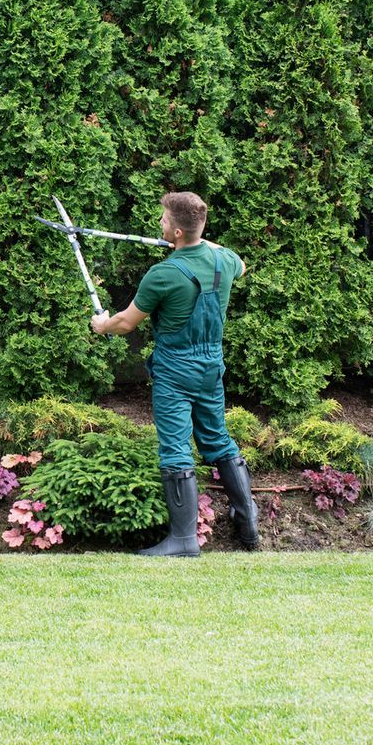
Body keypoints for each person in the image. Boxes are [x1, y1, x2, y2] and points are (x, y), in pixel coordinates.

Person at [89, 190, 259, 555]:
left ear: (178, 232)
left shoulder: (162, 275)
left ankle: (183, 540)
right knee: (217, 438)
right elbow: (238, 261)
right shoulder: (224, 262)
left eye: (164, 220)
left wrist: (102, 325)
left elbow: (126, 323)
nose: (160, 224)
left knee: (176, 446)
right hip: (211, 365)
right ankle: (247, 521)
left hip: (176, 369)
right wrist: (198, 240)